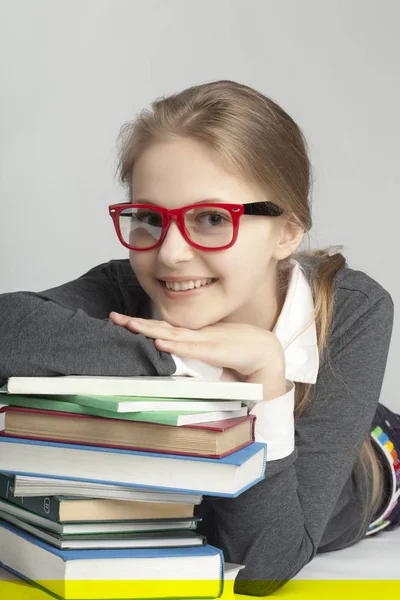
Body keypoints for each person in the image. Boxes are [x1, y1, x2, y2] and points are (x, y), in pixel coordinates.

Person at [0, 80, 398, 596]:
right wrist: (179, 371)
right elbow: (10, 325)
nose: (169, 255)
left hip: (372, 457)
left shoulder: (354, 309)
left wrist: (269, 381)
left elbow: (265, 568)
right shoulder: (121, 288)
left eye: (212, 219)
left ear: (288, 231)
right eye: (148, 218)